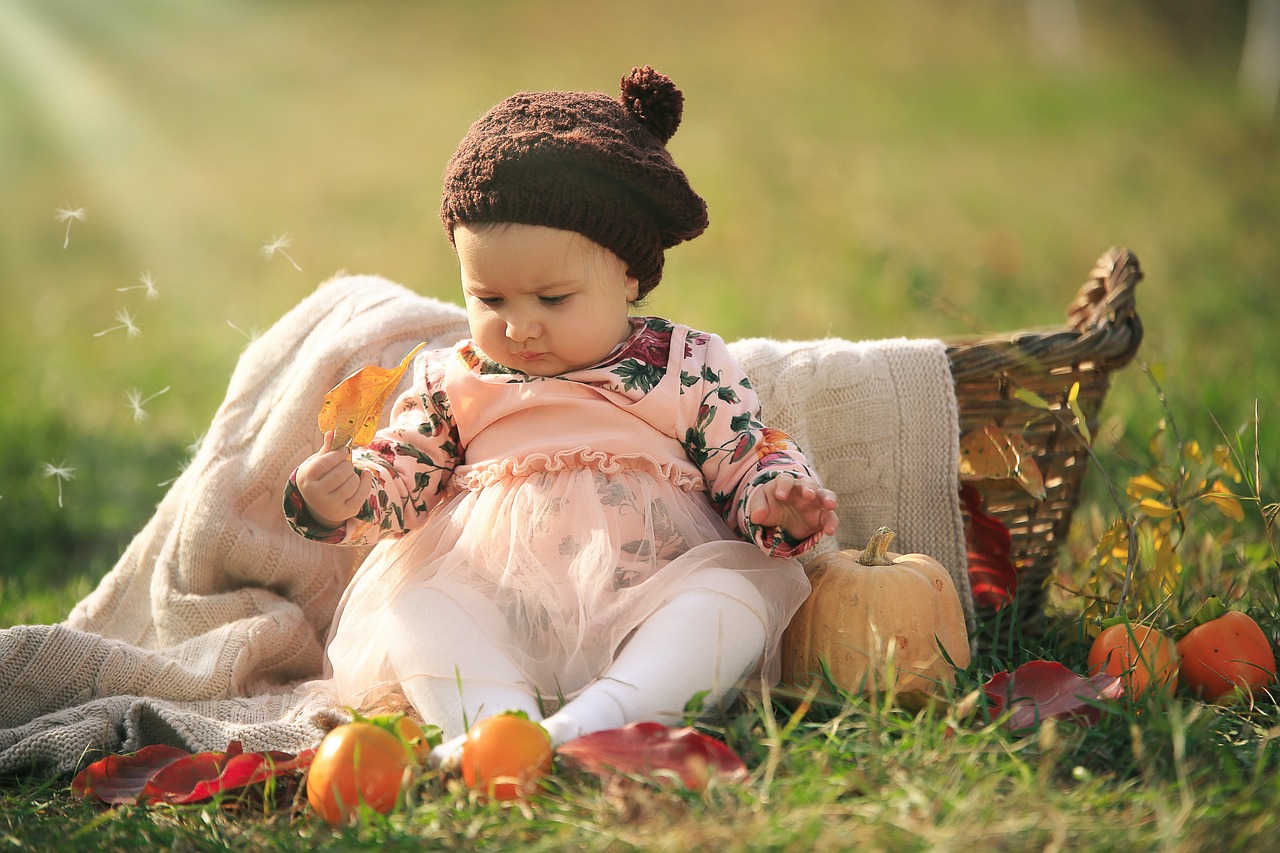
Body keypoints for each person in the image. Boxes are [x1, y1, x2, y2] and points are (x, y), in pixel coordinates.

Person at [284, 66, 839, 768]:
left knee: (731, 601)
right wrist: (347, 489)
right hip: (497, 602)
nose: (519, 328)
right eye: (490, 300)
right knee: (415, 606)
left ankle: (594, 722)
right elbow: (405, 474)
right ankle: (497, 725)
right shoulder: (453, 377)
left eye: (552, 299)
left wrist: (777, 497)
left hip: (647, 597)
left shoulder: (684, 363)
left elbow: (745, 452)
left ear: (629, 276)